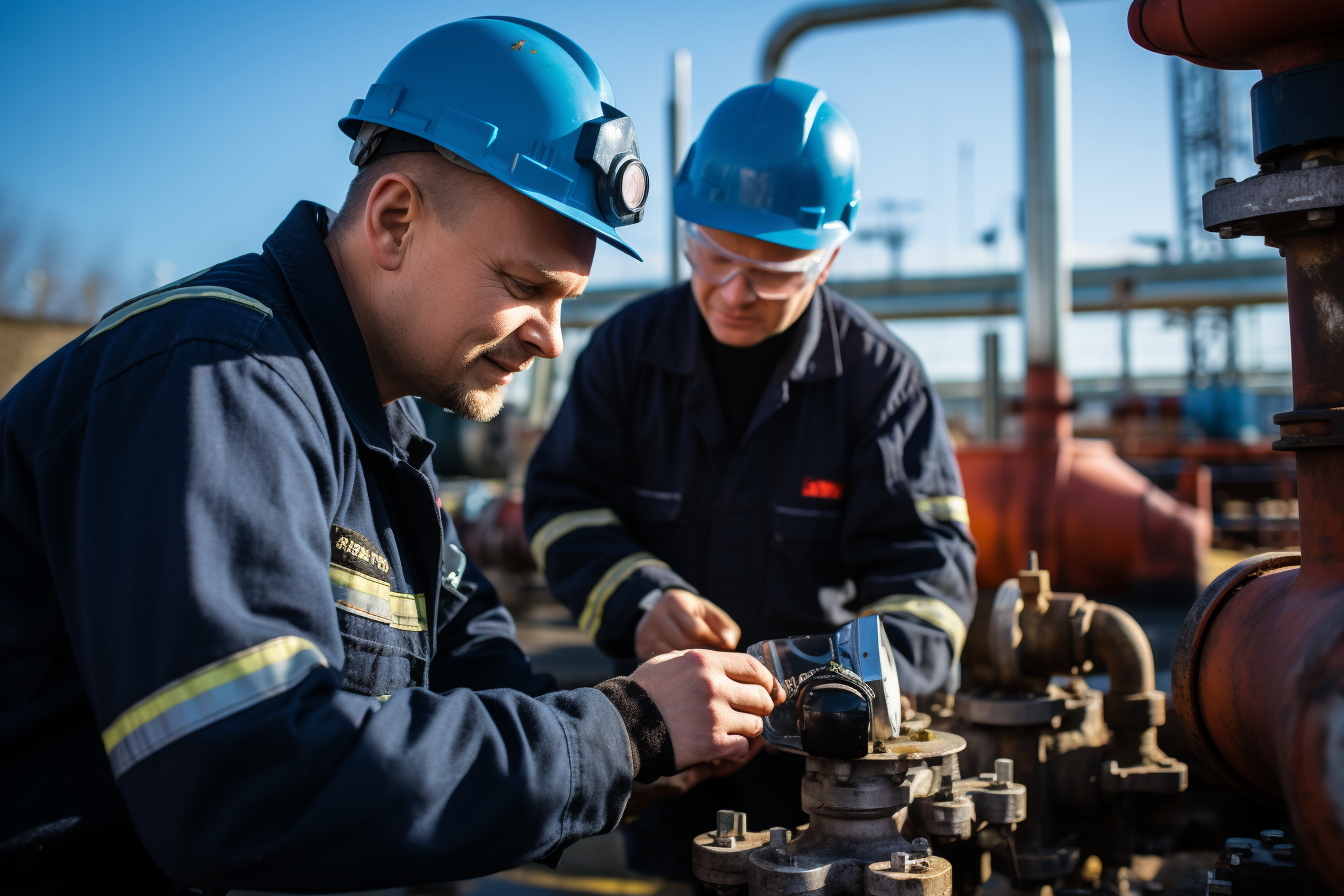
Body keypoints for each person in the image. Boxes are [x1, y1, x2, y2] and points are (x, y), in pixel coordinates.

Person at [0, 18, 784, 894]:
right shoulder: (219, 377)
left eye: (567, 302)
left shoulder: (374, 425)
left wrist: (635, 761)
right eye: (525, 287)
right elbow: (246, 782)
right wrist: (623, 728)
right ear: (396, 218)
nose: (553, 341)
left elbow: (468, 657)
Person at [524, 78, 977, 881]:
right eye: (714, 255)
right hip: (671, 765)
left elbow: (930, 591)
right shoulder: (629, 353)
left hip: (833, 790)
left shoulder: (880, 383)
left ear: (830, 256)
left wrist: (803, 697)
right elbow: (562, 506)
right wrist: (642, 598)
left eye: (773, 273)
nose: (734, 294)